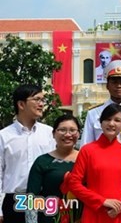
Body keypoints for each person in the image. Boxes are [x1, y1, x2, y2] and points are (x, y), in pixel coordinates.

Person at [66, 103, 121, 223]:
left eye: (117, 120)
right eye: (107, 119)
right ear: (100, 123)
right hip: (93, 213)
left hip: (118, 214)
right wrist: (102, 201)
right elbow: (74, 183)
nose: (111, 123)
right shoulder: (87, 150)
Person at [0, 84, 55, 223]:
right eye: (37, 99)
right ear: (21, 104)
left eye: (43, 100)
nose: (41, 104)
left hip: (44, 200)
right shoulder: (4, 136)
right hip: (14, 201)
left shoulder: (50, 133)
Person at [26, 115, 82, 223]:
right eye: (62, 130)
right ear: (53, 134)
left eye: (72, 130)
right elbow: (31, 198)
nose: (67, 134)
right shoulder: (42, 161)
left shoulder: (87, 160)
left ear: (79, 134)